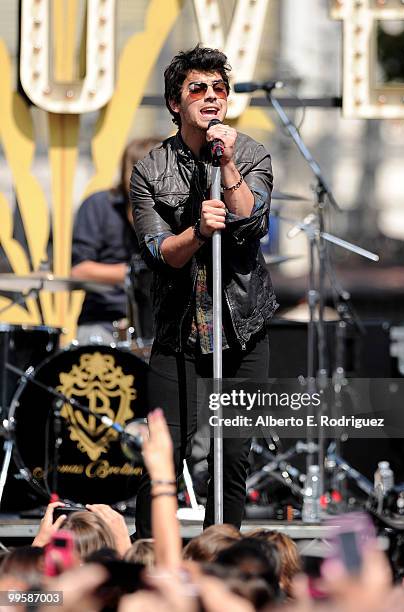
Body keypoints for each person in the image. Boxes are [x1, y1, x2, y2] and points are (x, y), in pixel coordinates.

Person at [130, 45, 277, 538]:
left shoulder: (252, 154)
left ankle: (222, 561)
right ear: (176, 102)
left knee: (232, 453)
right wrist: (197, 232)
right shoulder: (150, 170)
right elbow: (159, 252)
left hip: (242, 328)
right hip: (178, 334)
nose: (211, 98)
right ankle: (151, 561)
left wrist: (229, 163)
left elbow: (251, 224)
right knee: (164, 456)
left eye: (219, 89)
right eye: (198, 89)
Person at [71, 138, 160, 344]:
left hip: (160, 322)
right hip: (103, 320)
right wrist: (136, 273)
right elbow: (79, 270)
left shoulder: (175, 209)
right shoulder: (99, 205)